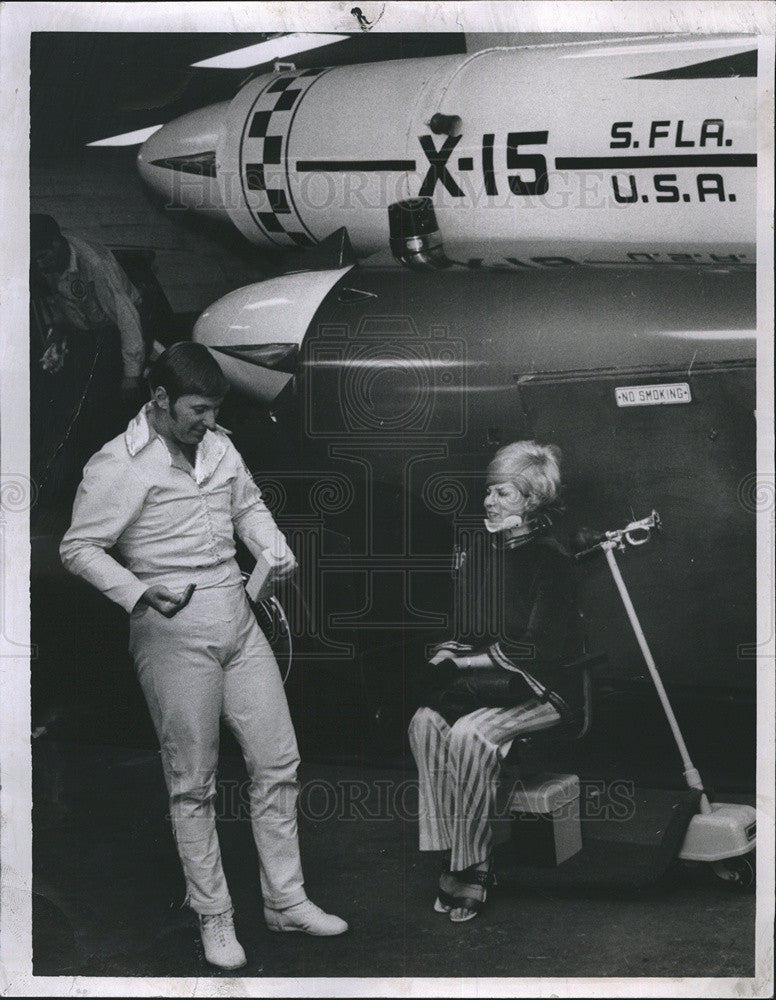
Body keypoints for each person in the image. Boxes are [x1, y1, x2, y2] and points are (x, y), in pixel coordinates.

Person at [60, 342, 348, 970]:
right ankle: (214, 916)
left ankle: (286, 900)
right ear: (159, 399)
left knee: (279, 762)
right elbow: (78, 549)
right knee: (192, 782)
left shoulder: (219, 446)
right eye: (198, 410)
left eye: (215, 410)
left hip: (239, 616)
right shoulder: (116, 465)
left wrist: (273, 549)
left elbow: (248, 506)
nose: (209, 422)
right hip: (170, 625)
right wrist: (138, 593)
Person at [408, 441, 581, 923]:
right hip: (487, 686)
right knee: (424, 723)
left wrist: (464, 664)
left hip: (545, 688)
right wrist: (452, 650)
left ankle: (475, 862)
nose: (489, 502)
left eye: (502, 493)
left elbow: (537, 650)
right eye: (489, 492)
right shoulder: (481, 552)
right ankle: (455, 852)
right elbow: (468, 630)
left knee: (470, 735)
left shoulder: (553, 560)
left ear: (530, 499)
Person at [30, 213, 147, 402]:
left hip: (119, 330)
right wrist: (56, 339)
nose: (40, 265)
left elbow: (127, 317)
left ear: (56, 243)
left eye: (42, 257)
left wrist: (131, 376)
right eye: (35, 260)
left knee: (109, 394)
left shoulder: (96, 264)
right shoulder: (48, 262)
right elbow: (62, 305)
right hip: (88, 330)